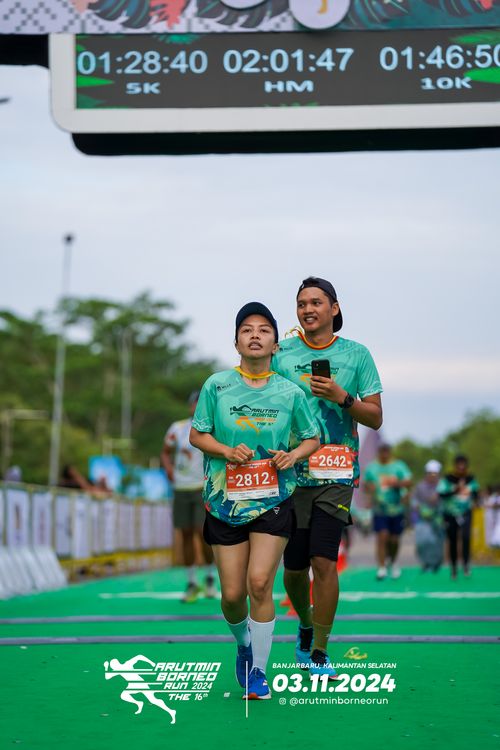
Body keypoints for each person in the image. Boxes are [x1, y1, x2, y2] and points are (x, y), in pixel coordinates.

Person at [189, 302, 319, 700]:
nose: (255, 335)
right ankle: (244, 643)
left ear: (275, 344)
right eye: (247, 330)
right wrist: (226, 451)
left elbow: (312, 438)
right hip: (224, 501)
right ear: (236, 342)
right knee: (232, 596)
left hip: (273, 498)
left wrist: (292, 456)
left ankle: (259, 671)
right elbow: (197, 434)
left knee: (260, 583)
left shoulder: (291, 393)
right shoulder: (217, 386)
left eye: (264, 330)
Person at [272, 277, 383, 679]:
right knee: (294, 567)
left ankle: (319, 649)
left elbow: (375, 417)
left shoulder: (357, 355)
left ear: (334, 308)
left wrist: (342, 397)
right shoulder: (281, 353)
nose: (308, 309)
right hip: (290, 473)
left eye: (316, 302)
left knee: (324, 560)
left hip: (336, 471)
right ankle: (305, 623)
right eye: (301, 303)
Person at [161, 391, 217, 602]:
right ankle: (192, 582)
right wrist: (168, 469)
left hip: (202, 486)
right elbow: (165, 451)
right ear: (189, 406)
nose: (196, 406)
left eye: (200, 403)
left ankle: (210, 577)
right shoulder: (177, 428)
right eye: (194, 403)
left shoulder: (212, 427)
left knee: (202, 532)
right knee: (185, 533)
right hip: (181, 487)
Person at [364, 443, 412, 580]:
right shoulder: (372, 467)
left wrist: (397, 484)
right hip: (380, 509)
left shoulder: (399, 466)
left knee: (394, 539)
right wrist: (369, 489)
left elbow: (409, 482)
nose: (384, 454)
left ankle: (394, 561)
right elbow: (366, 485)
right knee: (382, 536)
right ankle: (381, 567)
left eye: (386, 451)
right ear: (379, 452)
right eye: (382, 451)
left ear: (390, 452)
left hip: (397, 508)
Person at [437, 455, 480, 578]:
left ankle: (466, 565)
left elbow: (476, 492)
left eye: (463, 465)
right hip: (450, 514)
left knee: (466, 537)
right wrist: (455, 490)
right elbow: (441, 494)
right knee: (453, 539)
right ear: (455, 465)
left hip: (466, 512)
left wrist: (473, 497)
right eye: (459, 465)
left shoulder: (471, 479)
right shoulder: (447, 479)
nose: (461, 467)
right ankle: (454, 568)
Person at [411, 460, 444, 572]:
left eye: (435, 474)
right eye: (430, 474)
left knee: (436, 542)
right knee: (422, 541)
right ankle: (425, 562)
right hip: (422, 519)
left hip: (437, 519)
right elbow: (414, 500)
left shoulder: (442, 486)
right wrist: (418, 507)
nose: (432, 477)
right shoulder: (420, 486)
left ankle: (436, 563)